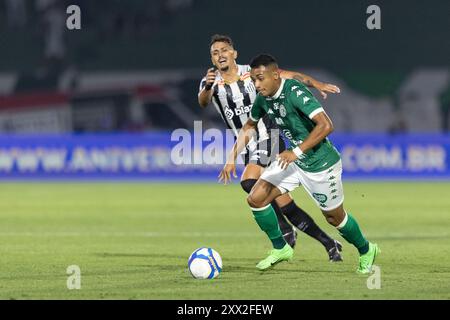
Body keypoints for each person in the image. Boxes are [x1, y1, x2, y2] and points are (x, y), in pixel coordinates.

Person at [219, 54, 380, 273]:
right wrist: (232, 157)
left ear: (275, 75)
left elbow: (326, 125)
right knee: (256, 198)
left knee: (335, 218)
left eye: (260, 79)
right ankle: (281, 247)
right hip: (293, 162)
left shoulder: (294, 92)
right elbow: (249, 125)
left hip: (321, 164)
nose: (256, 85)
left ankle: (366, 249)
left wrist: (295, 151)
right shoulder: (263, 98)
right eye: (254, 80)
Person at [200, 34, 343, 261]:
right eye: (215, 53)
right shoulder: (210, 82)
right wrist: (207, 86)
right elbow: (203, 101)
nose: (220, 55)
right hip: (246, 143)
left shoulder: (254, 72)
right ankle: (329, 243)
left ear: (234, 53)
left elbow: (288, 76)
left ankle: (284, 232)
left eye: (224, 50)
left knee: (248, 181)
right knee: (283, 203)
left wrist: (317, 84)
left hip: (270, 136)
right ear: (212, 58)